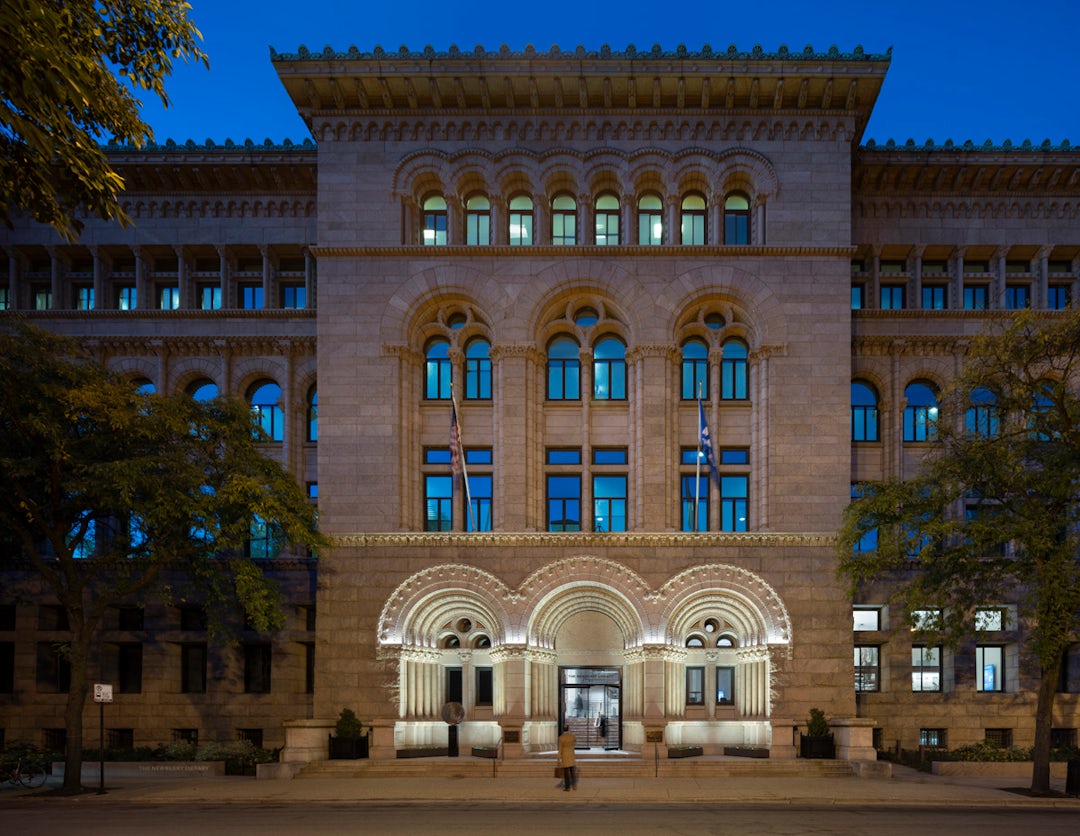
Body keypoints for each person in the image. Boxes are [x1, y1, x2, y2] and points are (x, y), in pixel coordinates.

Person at [557, 724, 577, 791]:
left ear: (563, 729)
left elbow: (560, 748)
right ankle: (574, 786)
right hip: (571, 754)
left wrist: (558, 758)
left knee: (566, 772)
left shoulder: (561, 738)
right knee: (572, 771)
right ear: (568, 729)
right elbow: (574, 742)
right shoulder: (572, 736)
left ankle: (567, 787)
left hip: (565, 755)